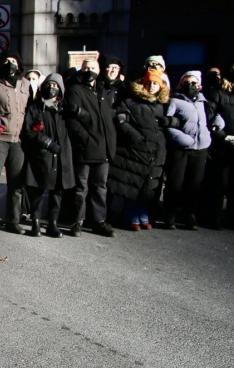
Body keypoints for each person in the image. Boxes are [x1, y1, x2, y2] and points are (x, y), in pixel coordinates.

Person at [107, 69, 168, 231]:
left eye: (155, 83)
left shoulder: (161, 105)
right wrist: (134, 136)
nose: (152, 86)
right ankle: (131, 217)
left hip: (154, 150)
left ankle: (144, 216)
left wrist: (170, 121)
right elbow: (120, 119)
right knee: (133, 184)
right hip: (136, 149)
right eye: (149, 83)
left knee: (149, 186)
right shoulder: (131, 101)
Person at [63, 58, 118, 237]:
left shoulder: (102, 91)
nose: (89, 71)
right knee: (81, 187)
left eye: (93, 68)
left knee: (100, 187)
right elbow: (72, 120)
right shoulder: (75, 89)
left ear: (99, 69)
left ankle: (99, 221)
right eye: (86, 68)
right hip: (85, 147)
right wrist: (85, 139)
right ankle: (77, 221)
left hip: (103, 148)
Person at [162, 71, 223, 230]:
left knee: (194, 184)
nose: (191, 86)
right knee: (176, 182)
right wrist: (182, 139)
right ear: (181, 84)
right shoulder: (174, 100)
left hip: (200, 148)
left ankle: (190, 215)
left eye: (194, 83)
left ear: (200, 85)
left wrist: (217, 124)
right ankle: (170, 216)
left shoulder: (203, 102)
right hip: (181, 148)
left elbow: (214, 116)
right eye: (187, 82)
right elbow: (166, 124)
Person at [0, 51, 31, 234]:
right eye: (7, 61)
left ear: (19, 64)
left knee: (16, 183)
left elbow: (30, 108)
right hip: (0, 140)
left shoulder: (25, 84)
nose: (10, 64)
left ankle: (13, 220)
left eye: (14, 61)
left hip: (18, 140)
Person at [22, 74, 74, 237]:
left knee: (57, 192)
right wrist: (47, 143)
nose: (52, 88)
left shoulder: (64, 109)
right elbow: (29, 131)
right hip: (42, 154)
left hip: (61, 156)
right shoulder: (36, 107)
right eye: (50, 85)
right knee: (37, 190)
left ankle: (53, 224)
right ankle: (35, 224)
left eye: (56, 86)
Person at [200, 66, 234, 228]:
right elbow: (209, 118)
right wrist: (225, 137)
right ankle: (211, 217)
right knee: (218, 183)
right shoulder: (218, 94)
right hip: (221, 146)